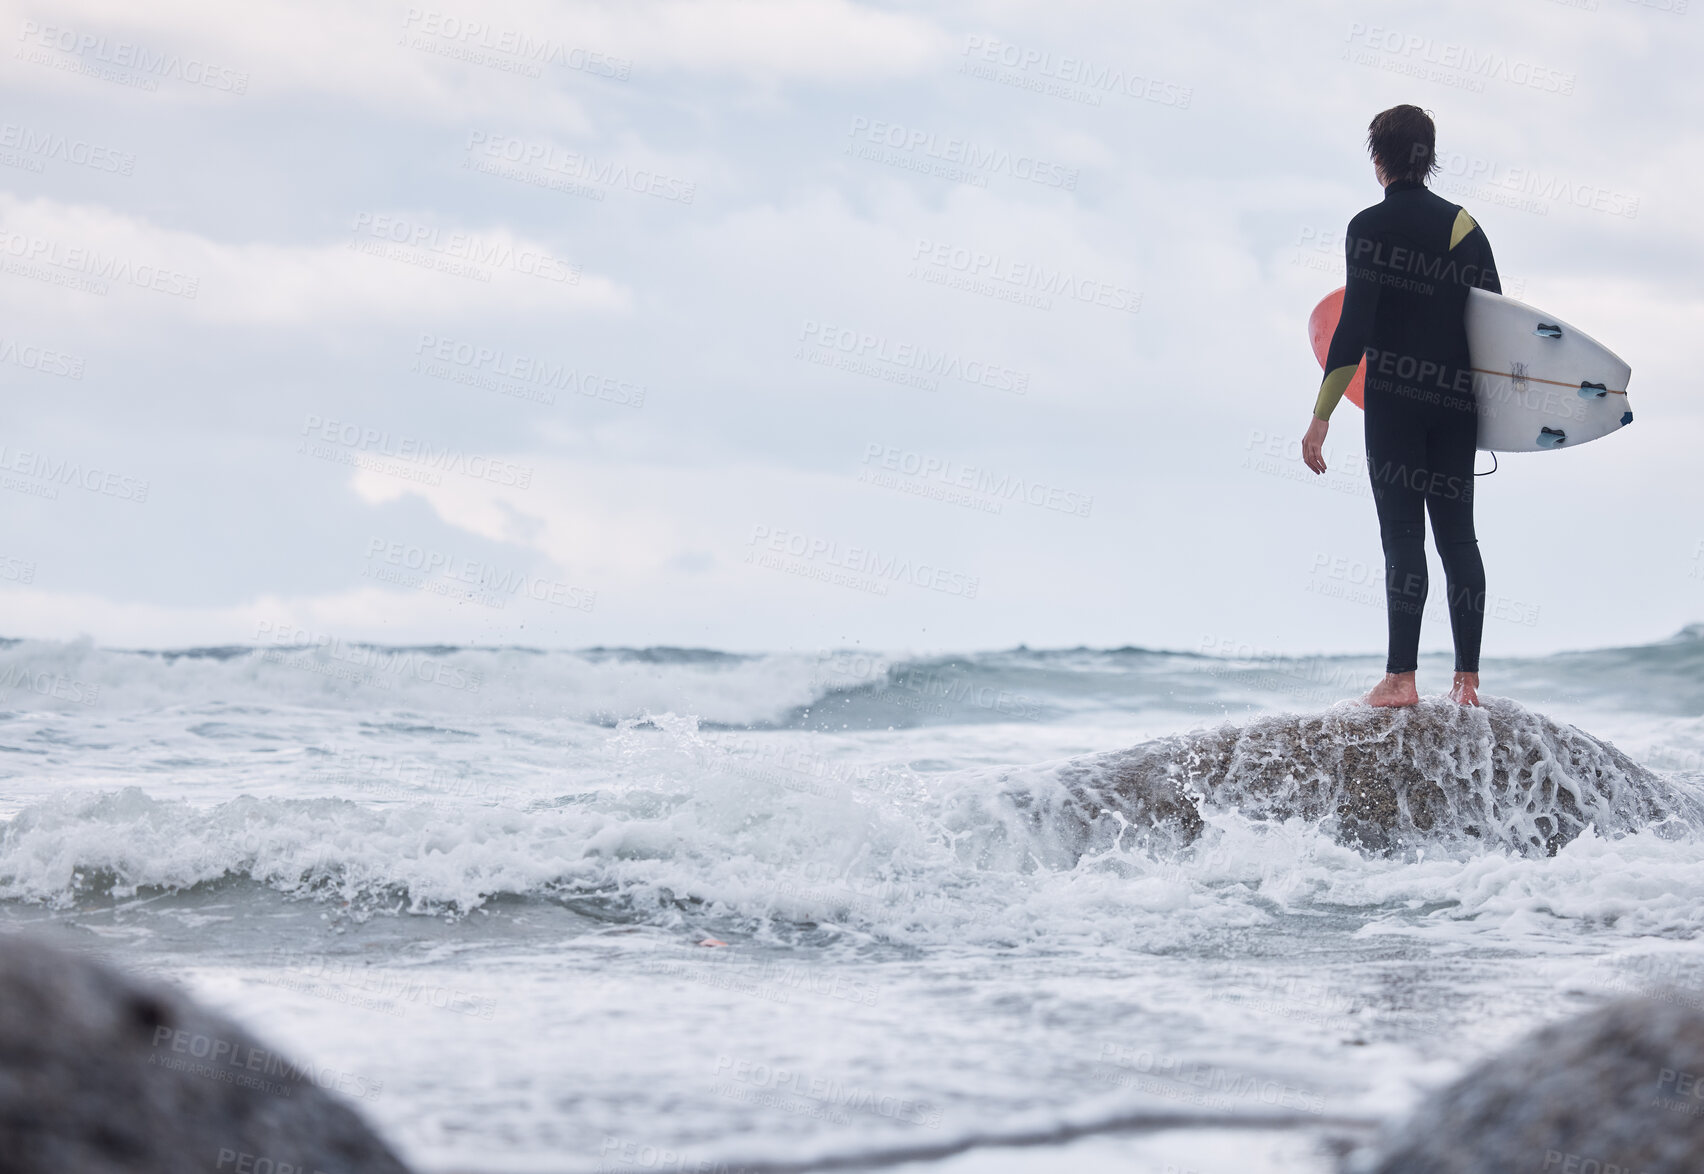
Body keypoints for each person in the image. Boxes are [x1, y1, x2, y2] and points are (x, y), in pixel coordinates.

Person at [1301, 105, 1501, 708]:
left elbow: (1352, 326)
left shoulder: (1367, 227)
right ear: (1429, 155)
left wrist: (1321, 415)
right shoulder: (1464, 225)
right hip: (1455, 402)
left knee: (1403, 539)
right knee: (1459, 540)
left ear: (1378, 158)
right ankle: (1466, 684)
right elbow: (1498, 320)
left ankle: (1401, 680)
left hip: (1393, 401)